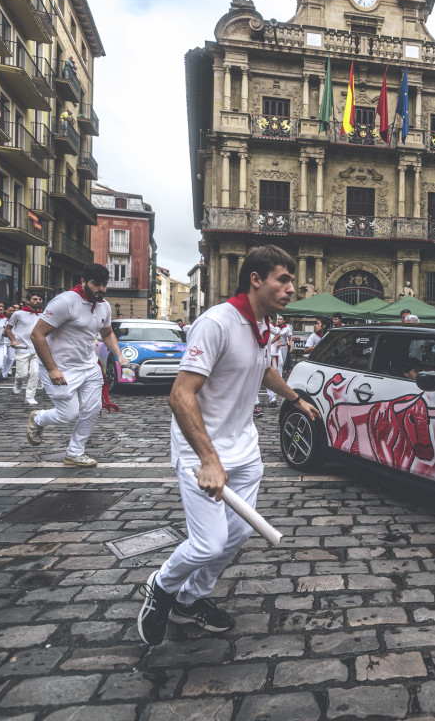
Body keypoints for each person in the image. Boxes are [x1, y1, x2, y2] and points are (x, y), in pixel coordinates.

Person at [138, 245, 319, 645]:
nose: (292, 288)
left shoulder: (263, 325)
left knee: (236, 536)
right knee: (209, 543)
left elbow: (262, 367)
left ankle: (190, 600)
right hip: (202, 455)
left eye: (291, 280)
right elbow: (180, 396)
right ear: (255, 279)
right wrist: (208, 460)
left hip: (245, 452)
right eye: (283, 279)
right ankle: (161, 586)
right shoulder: (216, 322)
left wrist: (294, 399)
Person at [27, 263, 129, 467]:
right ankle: (38, 419)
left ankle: (74, 453)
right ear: (83, 282)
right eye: (96, 284)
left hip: (89, 367)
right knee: (68, 414)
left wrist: (120, 356)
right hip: (60, 368)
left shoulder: (104, 306)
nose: (101, 289)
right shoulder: (65, 302)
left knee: (92, 409)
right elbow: (37, 334)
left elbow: (107, 333)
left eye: (104, 285)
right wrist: (51, 369)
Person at [7, 293, 44, 405]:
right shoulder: (18, 314)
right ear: (28, 301)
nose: (38, 301)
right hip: (23, 348)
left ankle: (30, 396)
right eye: (35, 299)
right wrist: (13, 340)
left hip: (37, 349)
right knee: (22, 374)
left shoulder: (42, 315)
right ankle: (18, 382)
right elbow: (8, 328)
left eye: (40, 299)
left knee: (35, 372)